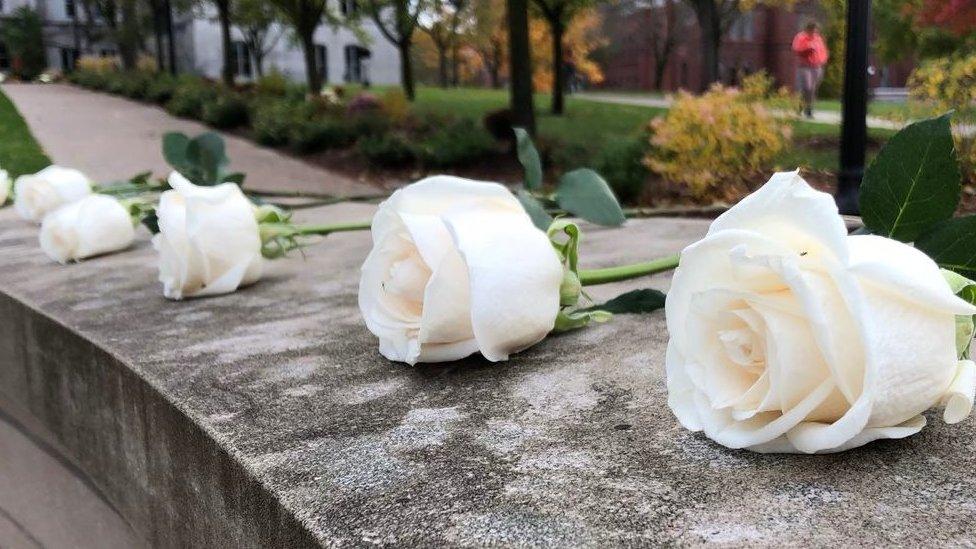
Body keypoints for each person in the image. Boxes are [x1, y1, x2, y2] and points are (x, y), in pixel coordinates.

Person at [791, 21, 829, 118]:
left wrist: (823, 59)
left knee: (812, 89)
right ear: (808, 29)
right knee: (806, 88)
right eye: (813, 31)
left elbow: (822, 50)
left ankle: (809, 110)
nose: (814, 33)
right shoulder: (801, 37)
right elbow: (796, 49)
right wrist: (808, 49)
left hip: (816, 67)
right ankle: (799, 107)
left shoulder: (817, 38)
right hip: (805, 67)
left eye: (816, 31)